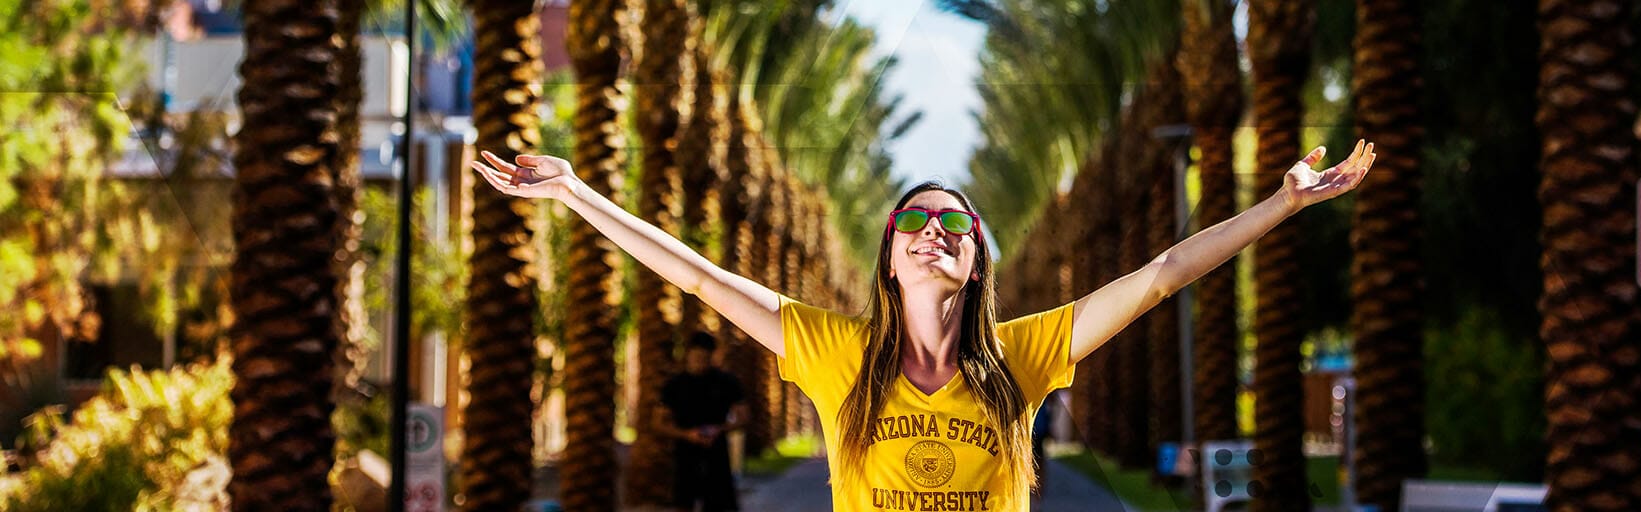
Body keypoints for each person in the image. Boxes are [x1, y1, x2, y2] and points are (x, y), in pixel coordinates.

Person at [469, 139, 1373, 511]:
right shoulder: (836, 354)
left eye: (953, 225)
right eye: (912, 222)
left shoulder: (1023, 354)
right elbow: (701, 279)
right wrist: (575, 192)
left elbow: (1162, 273)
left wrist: (1283, 205)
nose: (932, 232)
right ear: (890, 258)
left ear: (976, 260)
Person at [658, 331, 746, 512]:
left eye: (705, 357)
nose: (700, 361)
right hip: (684, 455)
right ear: (688, 354)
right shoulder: (674, 385)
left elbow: (744, 417)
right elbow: (658, 422)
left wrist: (720, 429)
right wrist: (686, 435)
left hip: (717, 455)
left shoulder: (726, 382)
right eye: (697, 356)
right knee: (683, 503)